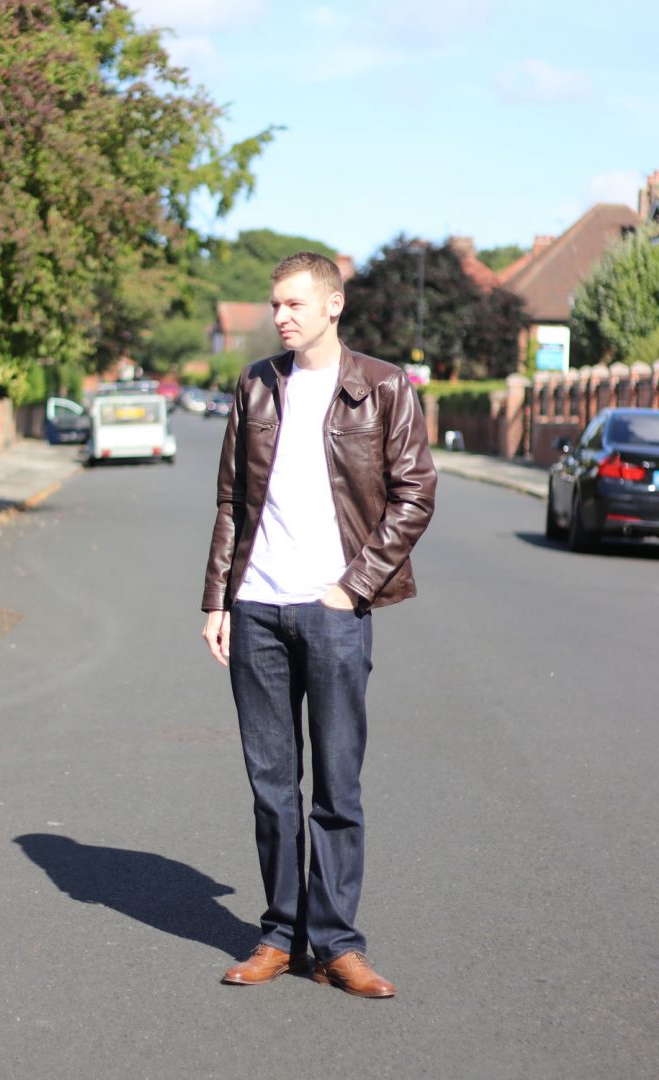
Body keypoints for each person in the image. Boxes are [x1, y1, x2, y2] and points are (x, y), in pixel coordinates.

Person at [201, 252, 436, 998]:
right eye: (275, 305)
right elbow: (232, 502)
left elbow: (415, 494)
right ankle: (279, 935)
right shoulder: (257, 385)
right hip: (258, 609)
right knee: (272, 786)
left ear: (333, 306)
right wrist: (218, 600)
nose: (281, 317)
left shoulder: (383, 387)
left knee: (337, 785)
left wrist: (352, 587)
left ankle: (335, 944)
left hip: (334, 613)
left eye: (295, 304)